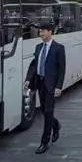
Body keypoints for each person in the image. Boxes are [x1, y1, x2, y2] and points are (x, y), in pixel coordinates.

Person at [26, 23, 65, 154]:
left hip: (51, 85)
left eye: (43, 31)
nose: (40, 34)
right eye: (40, 32)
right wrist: (28, 79)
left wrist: (59, 86)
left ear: (50, 32)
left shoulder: (58, 48)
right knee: (44, 110)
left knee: (48, 111)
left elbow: (61, 69)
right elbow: (34, 65)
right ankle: (55, 125)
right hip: (40, 83)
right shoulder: (38, 48)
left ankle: (44, 141)